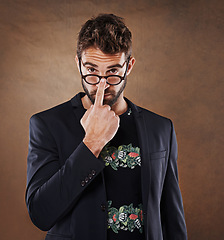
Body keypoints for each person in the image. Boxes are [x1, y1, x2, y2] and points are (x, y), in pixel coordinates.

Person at [25, 14, 187, 240]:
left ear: (128, 66)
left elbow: (172, 218)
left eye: (112, 72)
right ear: (78, 63)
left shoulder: (161, 128)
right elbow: (41, 213)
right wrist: (91, 143)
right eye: (91, 70)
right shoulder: (48, 124)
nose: (102, 84)